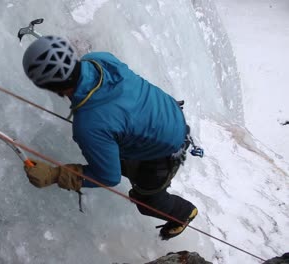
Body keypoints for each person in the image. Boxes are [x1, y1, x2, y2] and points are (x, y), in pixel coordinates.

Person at [21, 36, 198, 240]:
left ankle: (184, 213)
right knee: (118, 146)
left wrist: (54, 174)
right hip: (167, 111)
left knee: (146, 201)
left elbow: (108, 176)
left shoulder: (89, 126)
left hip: (168, 148)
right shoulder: (99, 59)